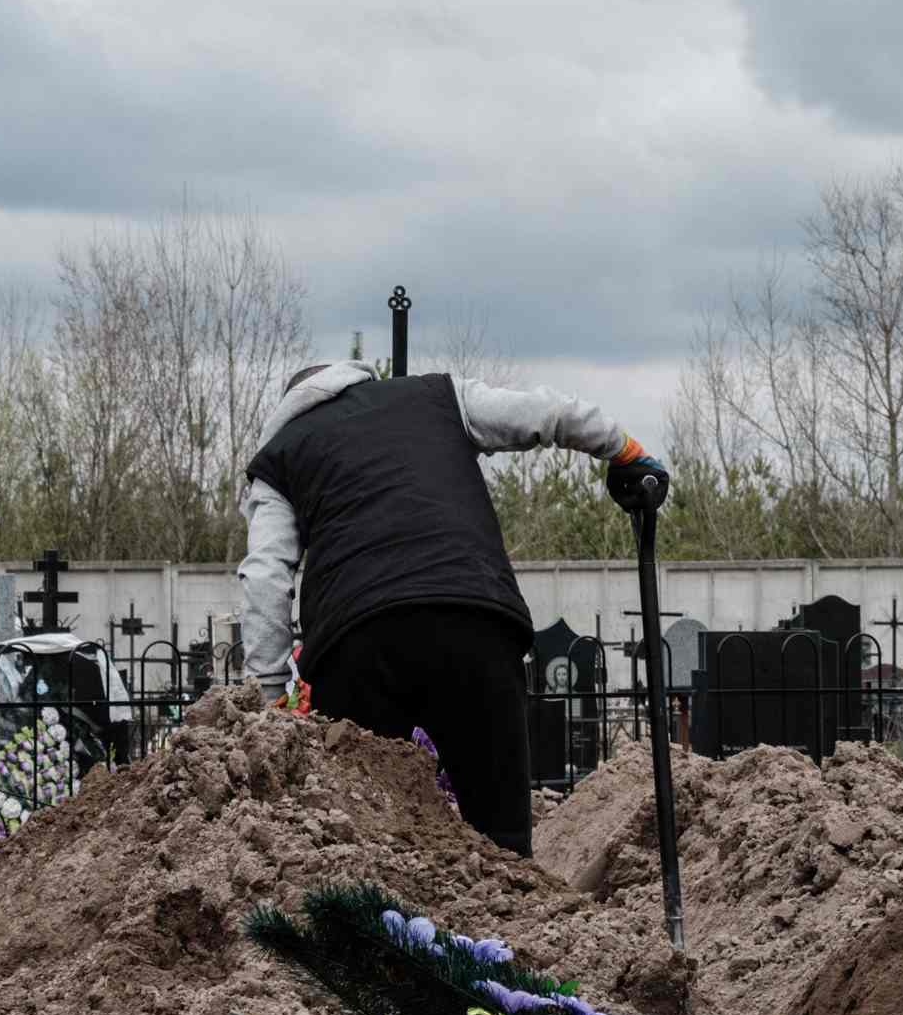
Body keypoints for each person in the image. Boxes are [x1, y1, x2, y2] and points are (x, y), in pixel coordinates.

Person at [238, 343, 666, 853]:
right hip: (474, 620)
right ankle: (517, 919)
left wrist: (268, 699)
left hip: (356, 646)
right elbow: (545, 413)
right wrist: (623, 449)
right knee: (503, 837)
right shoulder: (438, 396)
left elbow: (265, 573)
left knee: (364, 845)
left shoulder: (282, 456)